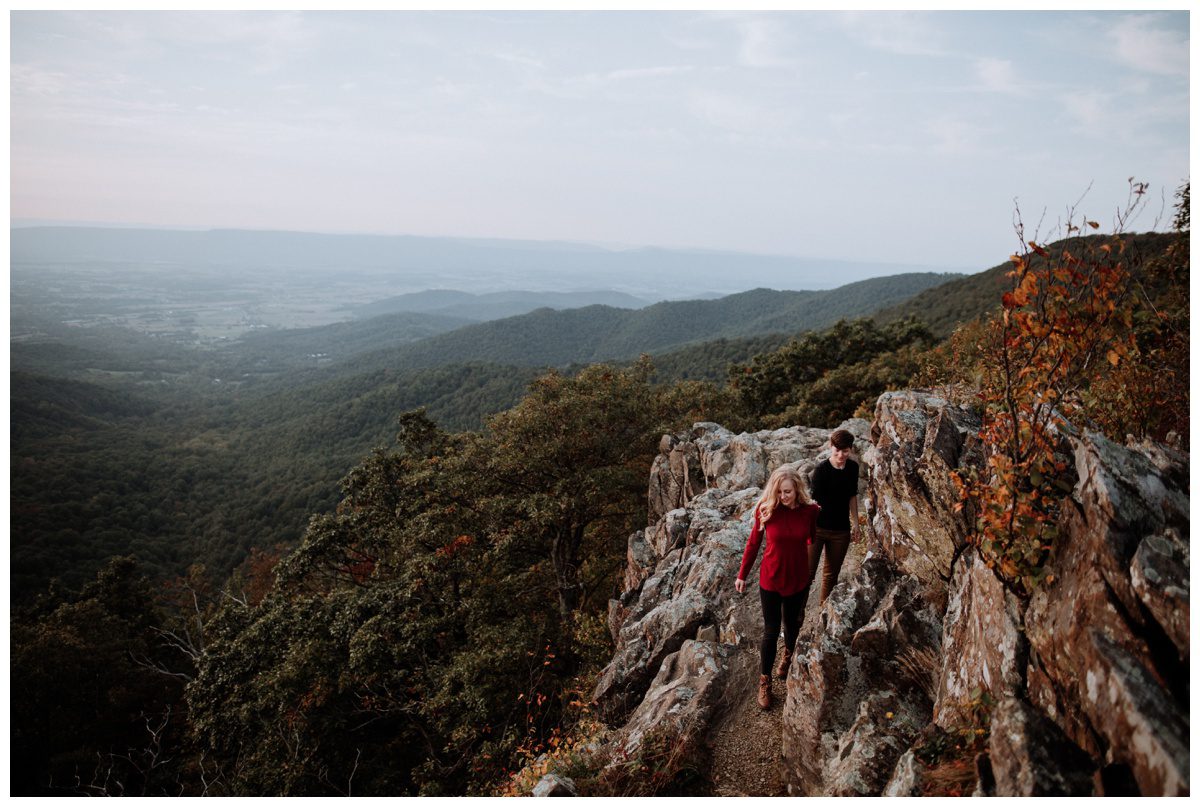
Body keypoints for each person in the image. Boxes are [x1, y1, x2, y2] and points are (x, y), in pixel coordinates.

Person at [735, 465, 820, 709]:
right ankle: (765, 681)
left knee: (792, 624)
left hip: (797, 579)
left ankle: (788, 656)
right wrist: (742, 575)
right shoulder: (765, 511)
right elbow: (753, 544)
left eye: (788, 492)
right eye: (780, 492)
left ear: (797, 490)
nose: (783, 497)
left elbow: (811, 538)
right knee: (771, 632)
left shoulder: (811, 511)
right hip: (770, 579)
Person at [808, 429, 861, 604]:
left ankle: (824, 612)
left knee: (831, 576)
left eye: (845, 451)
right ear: (831, 447)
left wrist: (856, 524)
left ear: (850, 449)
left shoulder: (853, 468)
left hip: (841, 531)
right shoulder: (821, 469)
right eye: (837, 450)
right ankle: (795, 618)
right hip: (817, 529)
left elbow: (852, 496)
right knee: (807, 574)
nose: (840, 455)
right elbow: (813, 503)